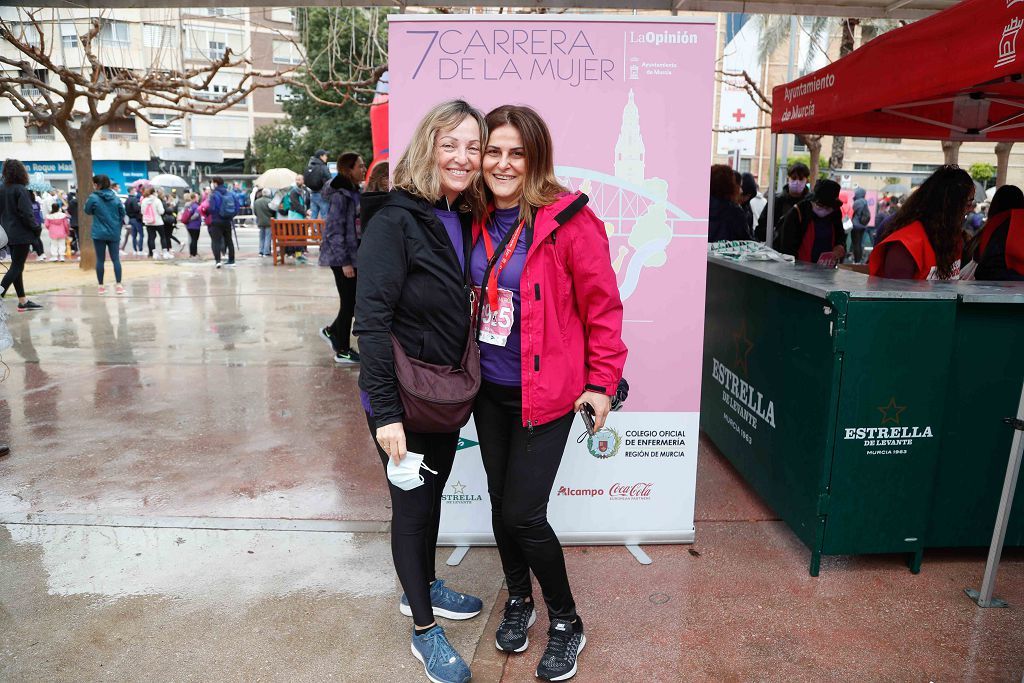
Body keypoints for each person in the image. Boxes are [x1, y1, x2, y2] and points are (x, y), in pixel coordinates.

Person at [471, 105, 627, 682]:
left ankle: (566, 621)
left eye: (517, 153)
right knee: (499, 507)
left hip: (549, 394)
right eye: (494, 151)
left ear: (536, 157)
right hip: (488, 390)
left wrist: (601, 383)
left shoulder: (571, 222)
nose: (503, 164)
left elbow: (604, 311)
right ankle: (518, 600)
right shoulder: (474, 216)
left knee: (524, 514)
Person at [354, 99, 487, 683]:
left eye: (473, 147)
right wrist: (385, 413)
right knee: (410, 509)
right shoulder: (394, 220)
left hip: (442, 395)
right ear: (427, 146)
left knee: (431, 501)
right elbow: (372, 321)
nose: (463, 157)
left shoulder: (458, 214)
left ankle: (422, 588)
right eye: (450, 143)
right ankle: (425, 632)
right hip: (399, 402)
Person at [869, 165, 974, 280]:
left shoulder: (953, 238)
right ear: (948, 205)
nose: (970, 209)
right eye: (968, 204)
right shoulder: (905, 245)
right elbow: (895, 295)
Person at [318, 152, 366, 364]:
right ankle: (343, 350)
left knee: (352, 302)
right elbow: (334, 231)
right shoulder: (341, 196)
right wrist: (345, 261)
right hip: (341, 258)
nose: (364, 169)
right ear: (349, 170)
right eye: (360, 166)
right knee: (349, 303)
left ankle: (331, 332)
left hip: (352, 256)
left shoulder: (355, 191)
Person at [0, 159, 44, 310]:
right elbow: (27, 214)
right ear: (20, 172)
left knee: (16, 266)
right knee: (17, 267)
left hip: (7, 234)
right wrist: (36, 229)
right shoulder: (20, 189)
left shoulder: (2, 189)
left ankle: (23, 301)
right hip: (21, 234)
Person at [774, 178, 847, 263]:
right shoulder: (798, 212)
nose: (824, 209)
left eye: (828, 207)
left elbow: (840, 236)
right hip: (799, 268)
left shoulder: (835, 213)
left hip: (826, 268)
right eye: (820, 205)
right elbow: (787, 246)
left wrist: (840, 246)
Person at [83, 174, 126, 295]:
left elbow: (87, 210)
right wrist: (116, 223)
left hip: (99, 232)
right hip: (114, 232)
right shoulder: (115, 197)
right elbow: (122, 212)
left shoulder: (93, 197)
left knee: (100, 260)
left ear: (97, 185)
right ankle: (119, 285)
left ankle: (101, 286)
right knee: (116, 259)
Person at [971, 184, 1024, 281]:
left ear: (995, 205)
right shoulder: (1017, 223)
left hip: (994, 286)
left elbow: (982, 268)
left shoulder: (994, 226)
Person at [756, 161, 811, 242]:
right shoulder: (776, 201)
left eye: (801, 179)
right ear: (788, 179)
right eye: (794, 178)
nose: (797, 182)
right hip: (779, 250)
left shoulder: (810, 203)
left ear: (807, 180)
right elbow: (761, 228)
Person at [708, 165, 750, 242]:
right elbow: (746, 242)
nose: (741, 191)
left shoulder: (698, 208)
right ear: (730, 185)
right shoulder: (735, 212)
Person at [207, 176, 238, 268]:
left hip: (216, 220)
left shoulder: (214, 194)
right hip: (227, 220)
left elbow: (212, 208)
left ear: (215, 183)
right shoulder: (230, 193)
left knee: (216, 241)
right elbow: (237, 206)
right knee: (229, 240)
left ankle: (218, 261)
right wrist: (231, 215)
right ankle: (232, 260)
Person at [287, 174, 311, 263]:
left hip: (301, 217)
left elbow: (308, 202)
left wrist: (308, 210)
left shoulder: (305, 191)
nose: (297, 181)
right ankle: (298, 255)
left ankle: (300, 254)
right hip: (295, 217)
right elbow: (296, 205)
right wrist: (305, 213)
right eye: (296, 179)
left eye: (299, 179)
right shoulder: (294, 191)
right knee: (297, 235)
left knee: (300, 236)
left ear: (303, 181)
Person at [304, 149, 333, 219]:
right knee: (325, 216)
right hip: (323, 195)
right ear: (321, 156)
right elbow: (330, 180)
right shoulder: (323, 167)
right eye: (325, 155)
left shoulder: (309, 166)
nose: (327, 157)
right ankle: (325, 230)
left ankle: (314, 230)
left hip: (313, 194)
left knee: (313, 216)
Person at [141, 187, 165, 259]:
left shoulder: (144, 201)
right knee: (162, 237)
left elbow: (142, 212)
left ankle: (152, 253)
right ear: (154, 192)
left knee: (151, 238)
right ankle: (165, 252)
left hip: (148, 222)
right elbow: (161, 211)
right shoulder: (157, 200)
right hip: (158, 222)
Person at [850, 187, 871, 264]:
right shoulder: (864, 201)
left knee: (856, 243)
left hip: (856, 225)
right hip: (862, 225)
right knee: (859, 243)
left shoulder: (858, 202)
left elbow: (853, 211)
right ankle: (858, 260)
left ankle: (856, 260)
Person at [180, 192, 203, 258]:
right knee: (194, 240)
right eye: (197, 197)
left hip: (189, 225)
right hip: (195, 225)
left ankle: (191, 253)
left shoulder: (189, 206)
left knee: (192, 239)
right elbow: (196, 215)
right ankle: (194, 254)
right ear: (195, 198)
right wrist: (191, 219)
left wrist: (188, 220)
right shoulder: (196, 206)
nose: (198, 198)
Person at [253, 188, 275, 258]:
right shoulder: (270, 201)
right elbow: (273, 212)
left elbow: (255, 212)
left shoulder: (256, 202)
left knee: (261, 237)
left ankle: (261, 251)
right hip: (269, 221)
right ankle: (266, 252)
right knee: (268, 237)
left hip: (260, 221)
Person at [124, 187, 144, 256]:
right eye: (134, 190)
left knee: (134, 236)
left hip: (130, 219)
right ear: (131, 191)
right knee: (141, 234)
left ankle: (135, 250)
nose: (135, 191)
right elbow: (136, 209)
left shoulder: (127, 200)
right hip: (136, 219)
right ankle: (140, 250)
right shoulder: (134, 199)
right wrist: (139, 207)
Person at [67, 189, 80, 256]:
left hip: (75, 222)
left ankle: (77, 249)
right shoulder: (86, 201)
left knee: (77, 237)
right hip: (84, 223)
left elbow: (69, 211)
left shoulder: (72, 202)